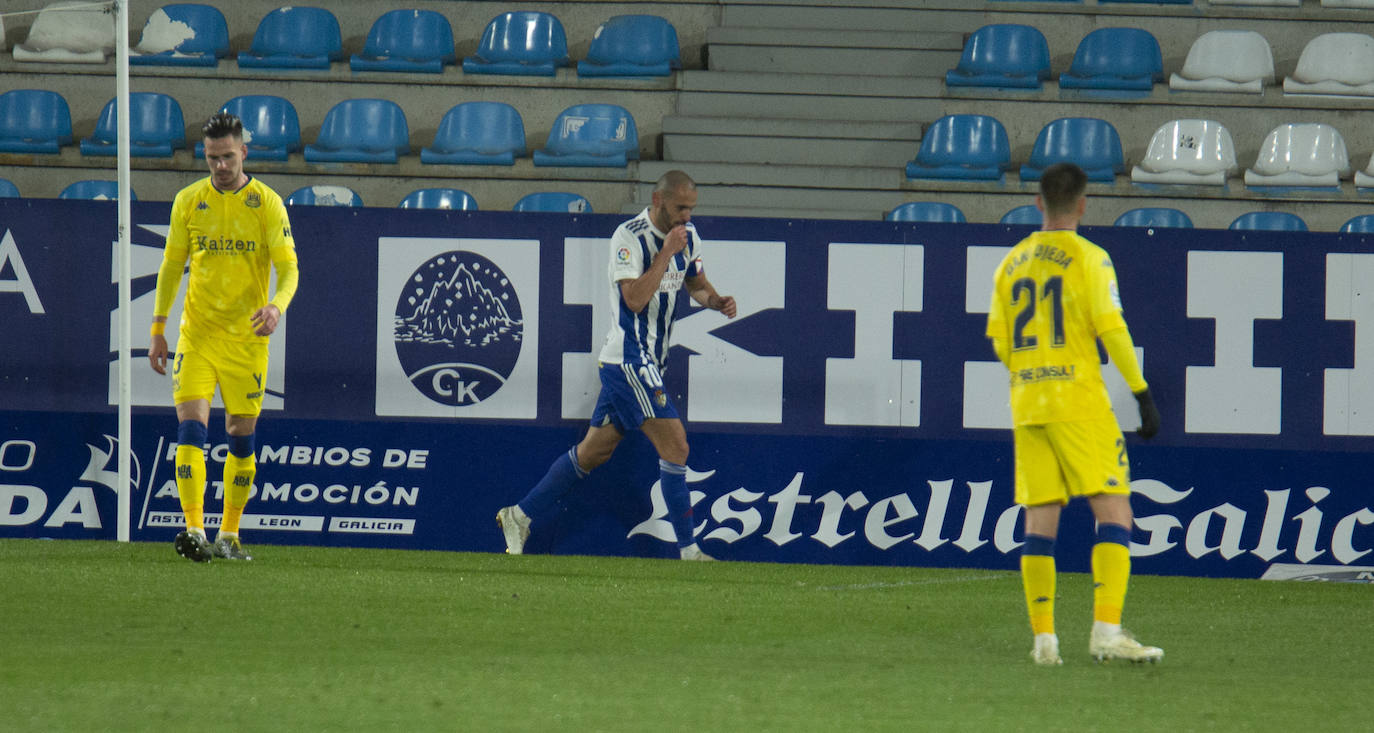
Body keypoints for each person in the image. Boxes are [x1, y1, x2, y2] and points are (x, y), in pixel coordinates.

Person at [497, 170, 736, 560]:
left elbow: (695, 283)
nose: (687, 218)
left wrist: (716, 300)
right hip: (629, 359)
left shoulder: (688, 236)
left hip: (647, 362)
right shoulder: (629, 237)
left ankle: (518, 515)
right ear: (658, 201)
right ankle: (691, 551)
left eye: (692, 209)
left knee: (593, 453)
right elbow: (635, 300)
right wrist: (665, 254)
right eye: (681, 208)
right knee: (676, 444)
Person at [985, 162, 1163, 665]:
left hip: (1028, 403)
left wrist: (1034, 370)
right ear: (1083, 204)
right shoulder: (1090, 258)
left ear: (1038, 202)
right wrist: (1141, 391)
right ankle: (1106, 632)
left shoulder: (1012, 263)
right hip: (1078, 401)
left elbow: (1001, 341)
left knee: (1041, 518)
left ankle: (1045, 640)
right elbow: (1112, 330)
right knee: (1115, 511)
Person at [148, 112, 300, 563]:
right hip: (197, 336)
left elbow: (290, 268)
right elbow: (171, 267)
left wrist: (276, 306)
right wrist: (157, 329)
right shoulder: (188, 201)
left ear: (244, 153)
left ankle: (229, 535)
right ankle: (194, 528)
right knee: (191, 428)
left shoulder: (267, 203)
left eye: (228, 157)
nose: (220, 167)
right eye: (213, 158)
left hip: (246, 343)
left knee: (239, 434)